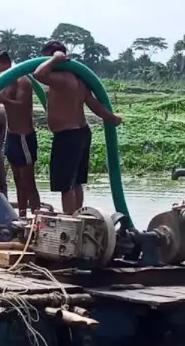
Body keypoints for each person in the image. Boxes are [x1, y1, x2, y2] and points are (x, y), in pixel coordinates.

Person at [32, 40, 123, 215]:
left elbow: (38, 74)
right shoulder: (78, 78)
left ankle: (69, 221)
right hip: (80, 133)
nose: (42, 61)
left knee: (66, 185)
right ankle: (77, 216)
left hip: (68, 136)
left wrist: (54, 60)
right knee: (75, 182)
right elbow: (93, 103)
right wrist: (112, 117)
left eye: (44, 58)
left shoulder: (61, 78)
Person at [0, 49, 41, 218]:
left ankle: (38, 217)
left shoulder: (22, 80)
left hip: (24, 136)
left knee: (28, 181)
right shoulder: (2, 81)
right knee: (17, 179)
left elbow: (22, 106)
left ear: (5, 63)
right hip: (12, 136)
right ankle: (22, 215)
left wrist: (3, 99)